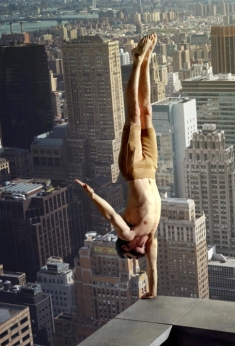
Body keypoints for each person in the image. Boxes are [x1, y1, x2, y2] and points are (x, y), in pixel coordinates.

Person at [76, 34, 160, 299]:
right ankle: (146, 60)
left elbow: (111, 215)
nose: (141, 249)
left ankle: (136, 60)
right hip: (151, 166)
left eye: (135, 250)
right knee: (147, 111)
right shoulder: (151, 235)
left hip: (133, 167)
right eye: (140, 252)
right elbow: (153, 265)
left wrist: (91, 195)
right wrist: (153, 290)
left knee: (133, 113)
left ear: (127, 245)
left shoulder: (129, 231)